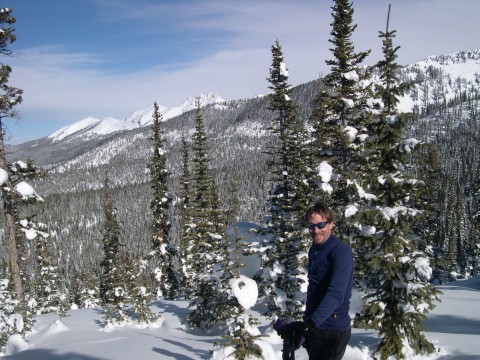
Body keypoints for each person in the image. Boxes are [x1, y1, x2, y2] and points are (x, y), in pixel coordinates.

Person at [278, 200, 353, 360]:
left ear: (331, 224)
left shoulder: (341, 252)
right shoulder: (315, 248)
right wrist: (308, 322)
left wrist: (311, 323)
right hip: (316, 327)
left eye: (321, 225)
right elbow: (315, 287)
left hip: (331, 331)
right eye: (311, 226)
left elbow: (336, 293)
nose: (315, 230)